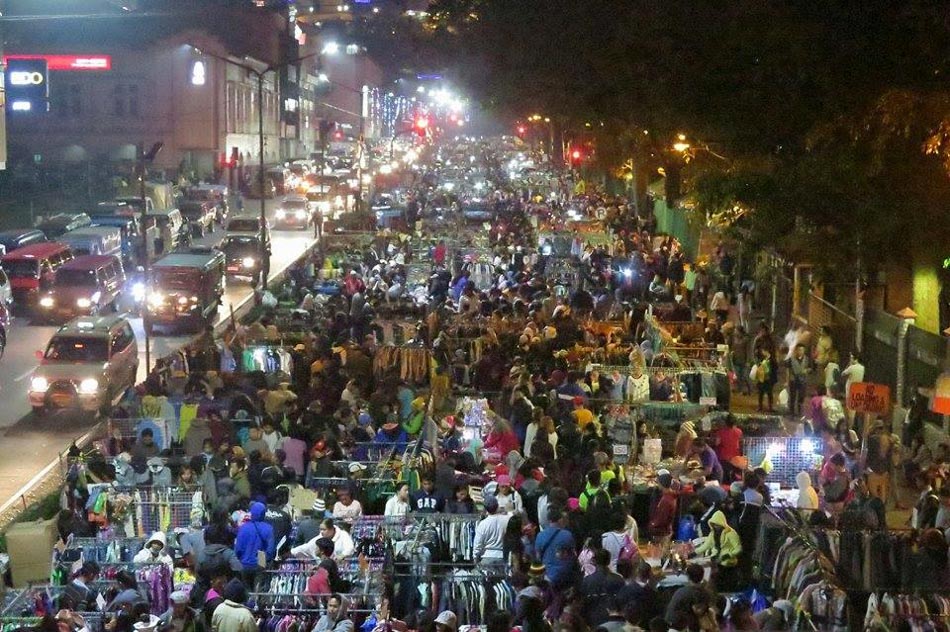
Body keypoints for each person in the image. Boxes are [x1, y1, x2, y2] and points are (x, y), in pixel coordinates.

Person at [694, 510, 741, 591]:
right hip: (715, 561)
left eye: (717, 524)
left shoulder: (731, 533)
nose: (715, 527)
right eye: (714, 525)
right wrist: (693, 552)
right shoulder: (712, 534)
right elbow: (705, 546)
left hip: (727, 563)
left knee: (725, 584)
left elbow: (738, 548)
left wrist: (728, 555)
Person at [579, 548, 625, 627]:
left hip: (593, 620)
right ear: (609, 561)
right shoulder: (618, 579)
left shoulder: (587, 581)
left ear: (594, 561)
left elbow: (583, 604)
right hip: (614, 621)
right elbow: (623, 602)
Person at [234, 501, 275, 585]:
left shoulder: (243, 528)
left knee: (246, 591)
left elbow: (238, 549)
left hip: (244, 564)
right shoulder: (268, 528)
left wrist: (242, 559)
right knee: (258, 592)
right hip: (260, 563)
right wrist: (263, 560)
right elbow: (270, 551)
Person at [534, 507, 576, 589]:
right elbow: (573, 555)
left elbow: (538, 558)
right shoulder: (567, 535)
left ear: (549, 520)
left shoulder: (540, 536)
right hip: (565, 576)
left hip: (548, 577)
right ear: (560, 520)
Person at [473, 495, 511, 566]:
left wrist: (475, 557)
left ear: (485, 508)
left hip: (487, 556)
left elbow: (478, 543)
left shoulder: (483, 524)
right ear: (497, 506)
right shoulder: (507, 520)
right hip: (503, 555)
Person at [786, 344, 809, 417]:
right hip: (793, 380)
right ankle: (791, 412)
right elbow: (787, 370)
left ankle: (800, 412)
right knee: (792, 397)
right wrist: (787, 380)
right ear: (796, 350)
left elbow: (810, 368)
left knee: (801, 397)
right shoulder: (791, 359)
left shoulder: (807, 359)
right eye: (799, 350)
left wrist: (807, 370)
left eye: (802, 350)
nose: (800, 351)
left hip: (802, 381)